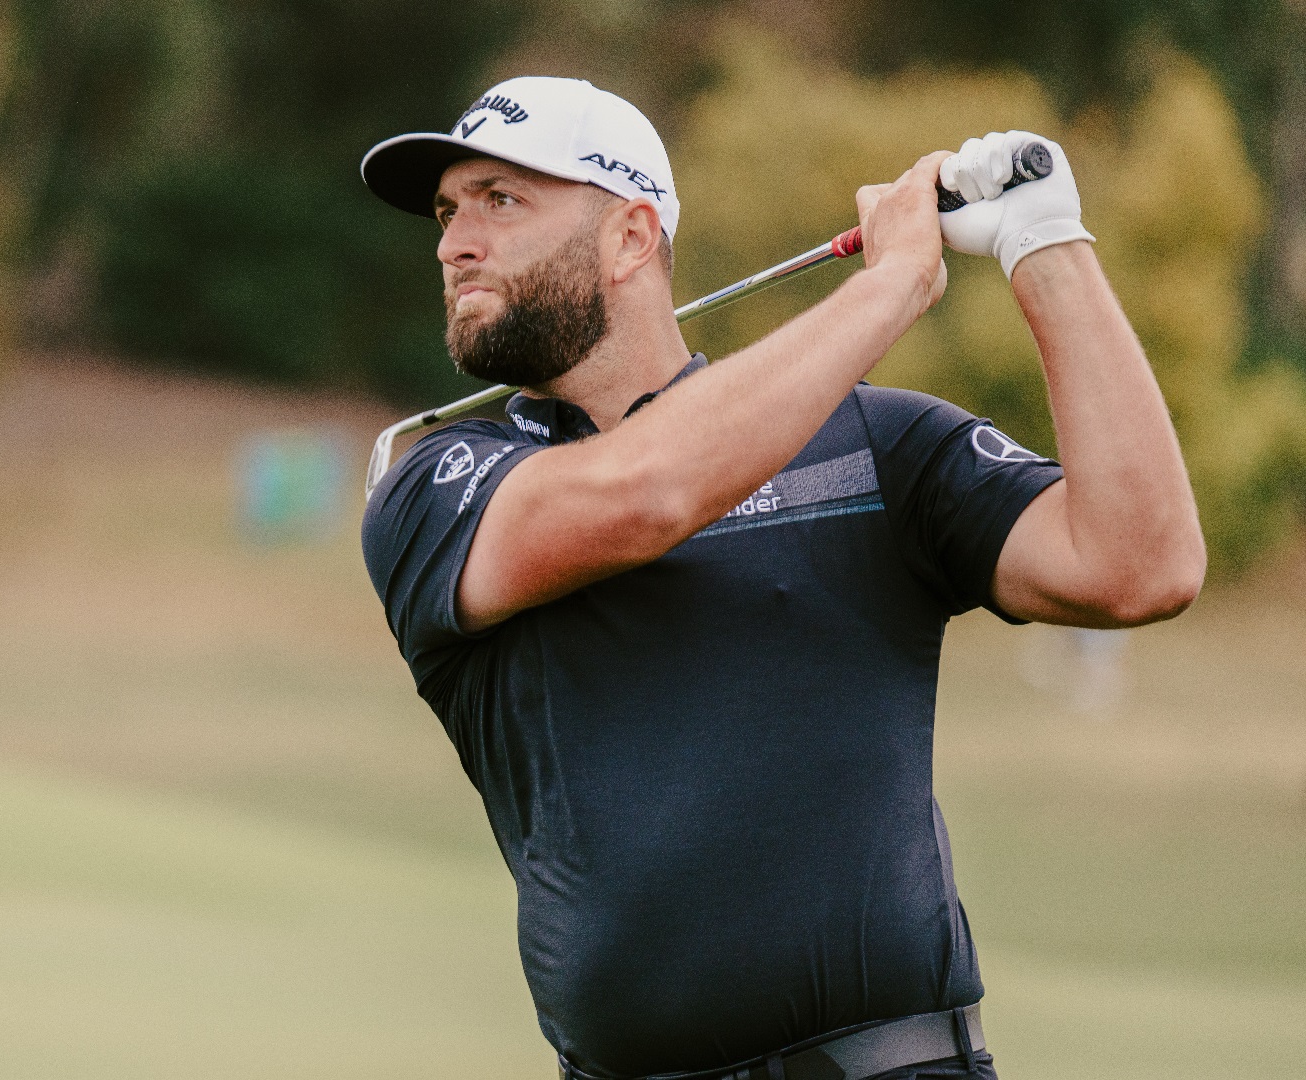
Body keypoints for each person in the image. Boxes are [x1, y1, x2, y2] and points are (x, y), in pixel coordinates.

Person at [358, 76, 1205, 1080]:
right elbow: (650, 492)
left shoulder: (878, 446)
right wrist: (892, 284)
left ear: (632, 238)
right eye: (451, 211)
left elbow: (1142, 565)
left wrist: (1045, 242)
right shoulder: (439, 485)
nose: (455, 241)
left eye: (502, 201)